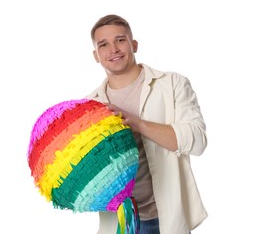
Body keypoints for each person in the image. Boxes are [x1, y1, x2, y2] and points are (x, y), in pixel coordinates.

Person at [86, 14, 208, 234]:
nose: (113, 49)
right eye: (103, 44)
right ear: (96, 55)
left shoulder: (172, 84)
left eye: (120, 40)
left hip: (164, 218)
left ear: (134, 44)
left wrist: (138, 124)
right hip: (117, 222)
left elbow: (197, 140)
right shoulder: (91, 105)